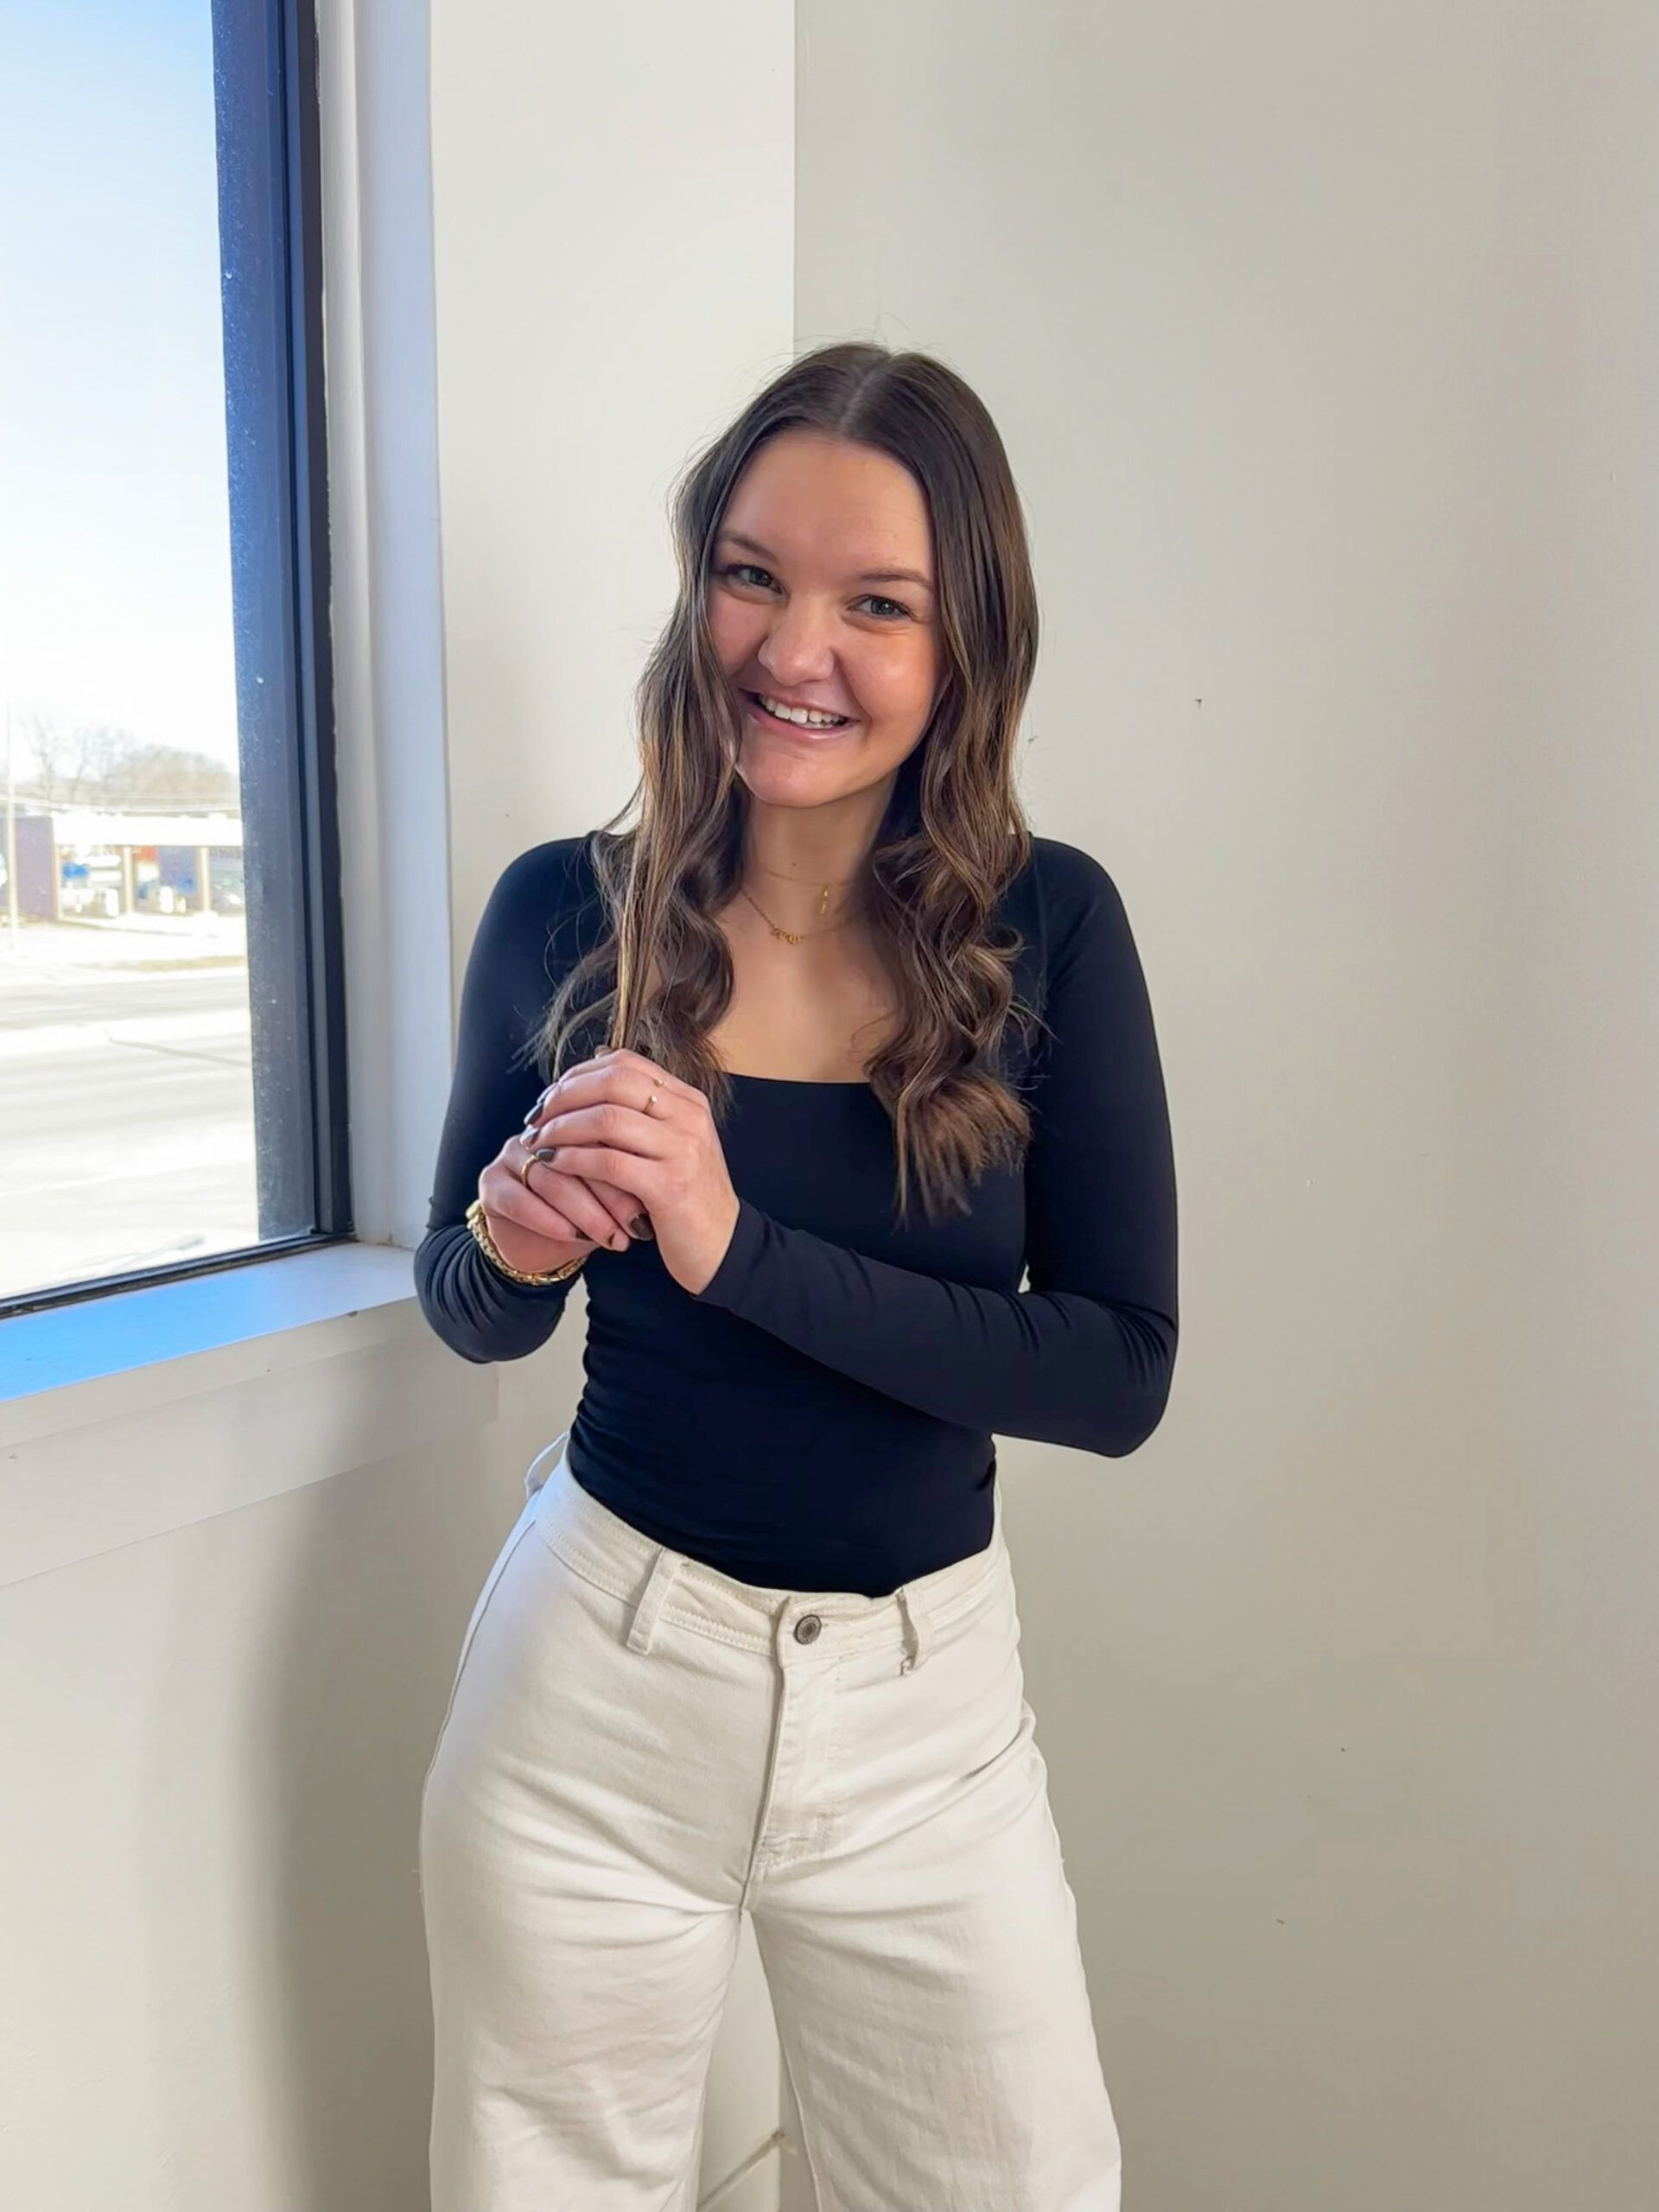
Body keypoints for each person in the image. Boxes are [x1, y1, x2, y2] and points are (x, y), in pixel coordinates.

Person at [413, 340, 1179, 2211]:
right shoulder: (557, 911)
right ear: (700, 581)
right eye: (752, 573)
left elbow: (1113, 1368)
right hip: (594, 1682)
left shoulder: (1051, 922)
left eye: (876, 603)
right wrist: (515, 1237)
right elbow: (468, 1293)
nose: (792, 646)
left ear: (962, 647)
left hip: (928, 1719)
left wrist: (731, 1241)